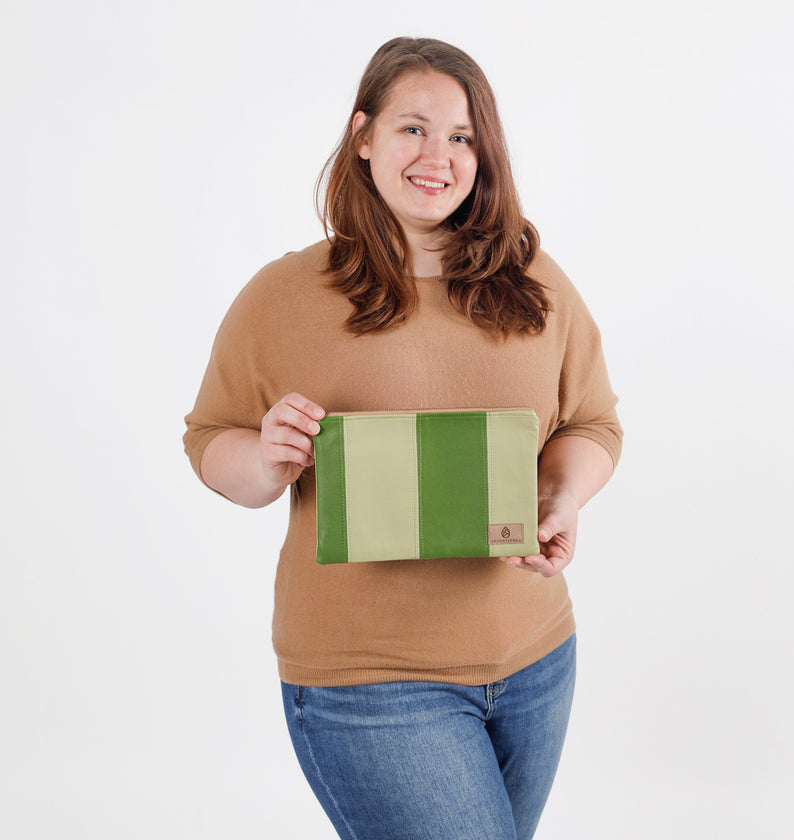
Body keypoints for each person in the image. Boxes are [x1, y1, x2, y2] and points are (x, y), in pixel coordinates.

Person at [184, 36, 622, 840]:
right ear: (363, 137)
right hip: (369, 684)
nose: (438, 156)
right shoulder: (284, 295)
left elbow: (591, 422)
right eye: (412, 128)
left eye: (461, 137)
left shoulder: (535, 280)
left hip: (536, 661)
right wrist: (268, 456)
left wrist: (558, 498)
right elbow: (212, 441)